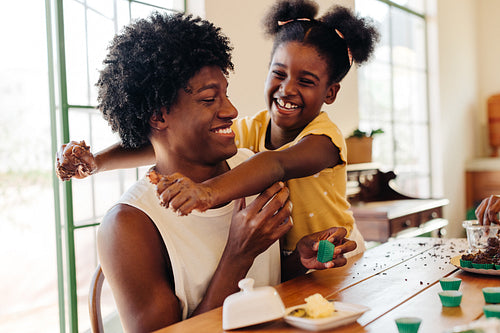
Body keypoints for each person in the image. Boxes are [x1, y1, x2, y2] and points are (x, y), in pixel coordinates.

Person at [89, 11, 356, 332]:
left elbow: (266, 282)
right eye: (208, 99)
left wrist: (298, 260)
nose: (231, 111)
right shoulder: (128, 225)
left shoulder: (250, 166)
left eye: (226, 94)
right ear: (159, 117)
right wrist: (237, 255)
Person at [57, 0, 379, 253]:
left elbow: (276, 163)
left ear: (330, 92)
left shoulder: (325, 139)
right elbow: (162, 140)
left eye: (306, 81)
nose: (287, 89)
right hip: (293, 263)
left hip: (336, 256)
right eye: (279, 73)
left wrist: (206, 193)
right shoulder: (255, 127)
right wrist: (98, 162)